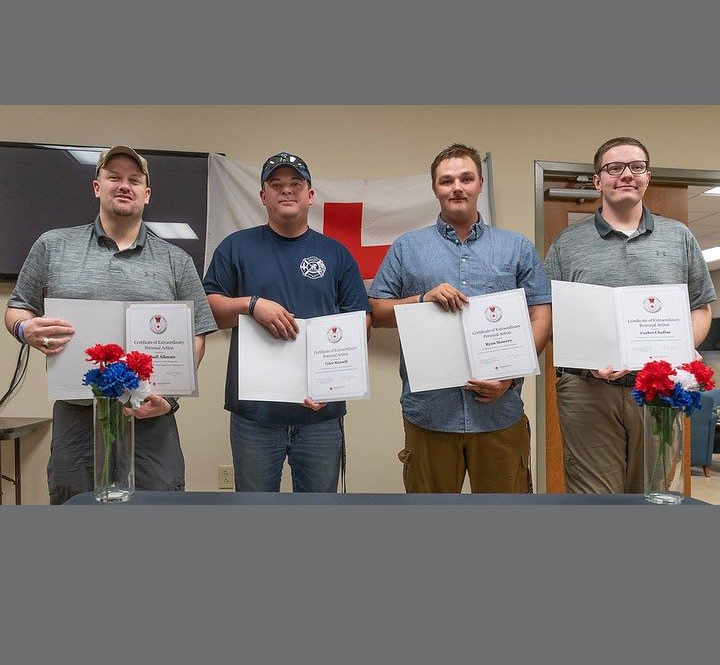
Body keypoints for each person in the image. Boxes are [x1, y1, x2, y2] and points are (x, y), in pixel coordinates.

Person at [4, 145, 216, 504]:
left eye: (135, 180)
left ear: (146, 194)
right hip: (77, 413)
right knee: (75, 506)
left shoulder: (176, 259)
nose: (124, 185)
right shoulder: (53, 245)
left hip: (150, 414)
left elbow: (195, 334)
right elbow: (17, 308)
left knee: (160, 506)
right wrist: (26, 329)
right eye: (114, 177)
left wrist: (169, 397)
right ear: (96, 186)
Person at [368, 143, 552, 493]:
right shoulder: (407, 247)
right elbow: (376, 312)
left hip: (499, 414)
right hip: (430, 415)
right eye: (447, 180)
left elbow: (540, 314)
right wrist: (422, 299)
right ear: (435, 188)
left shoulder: (517, 247)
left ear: (480, 183)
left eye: (466, 178)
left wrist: (509, 378)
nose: (457, 187)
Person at [544, 136, 716, 494]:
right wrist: (588, 358)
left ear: (647, 177)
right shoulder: (567, 243)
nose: (626, 175)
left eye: (636, 167)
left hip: (657, 390)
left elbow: (700, 308)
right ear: (597, 180)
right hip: (588, 390)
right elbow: (552, 314)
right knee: (593, 498)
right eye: (614, 168)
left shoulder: (678, 236)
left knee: (652, 493)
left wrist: (677, 347)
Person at [203, 151, 369, 493]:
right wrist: (251, 305)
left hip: (320, 417)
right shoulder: (236, 247)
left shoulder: (336, 254)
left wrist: (334, 383)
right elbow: (208, 309)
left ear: (311, 195)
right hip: (255, 416)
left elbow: (360, 321)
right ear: (263, 197)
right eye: (276, 185)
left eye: (296, 183)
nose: (286, 190)